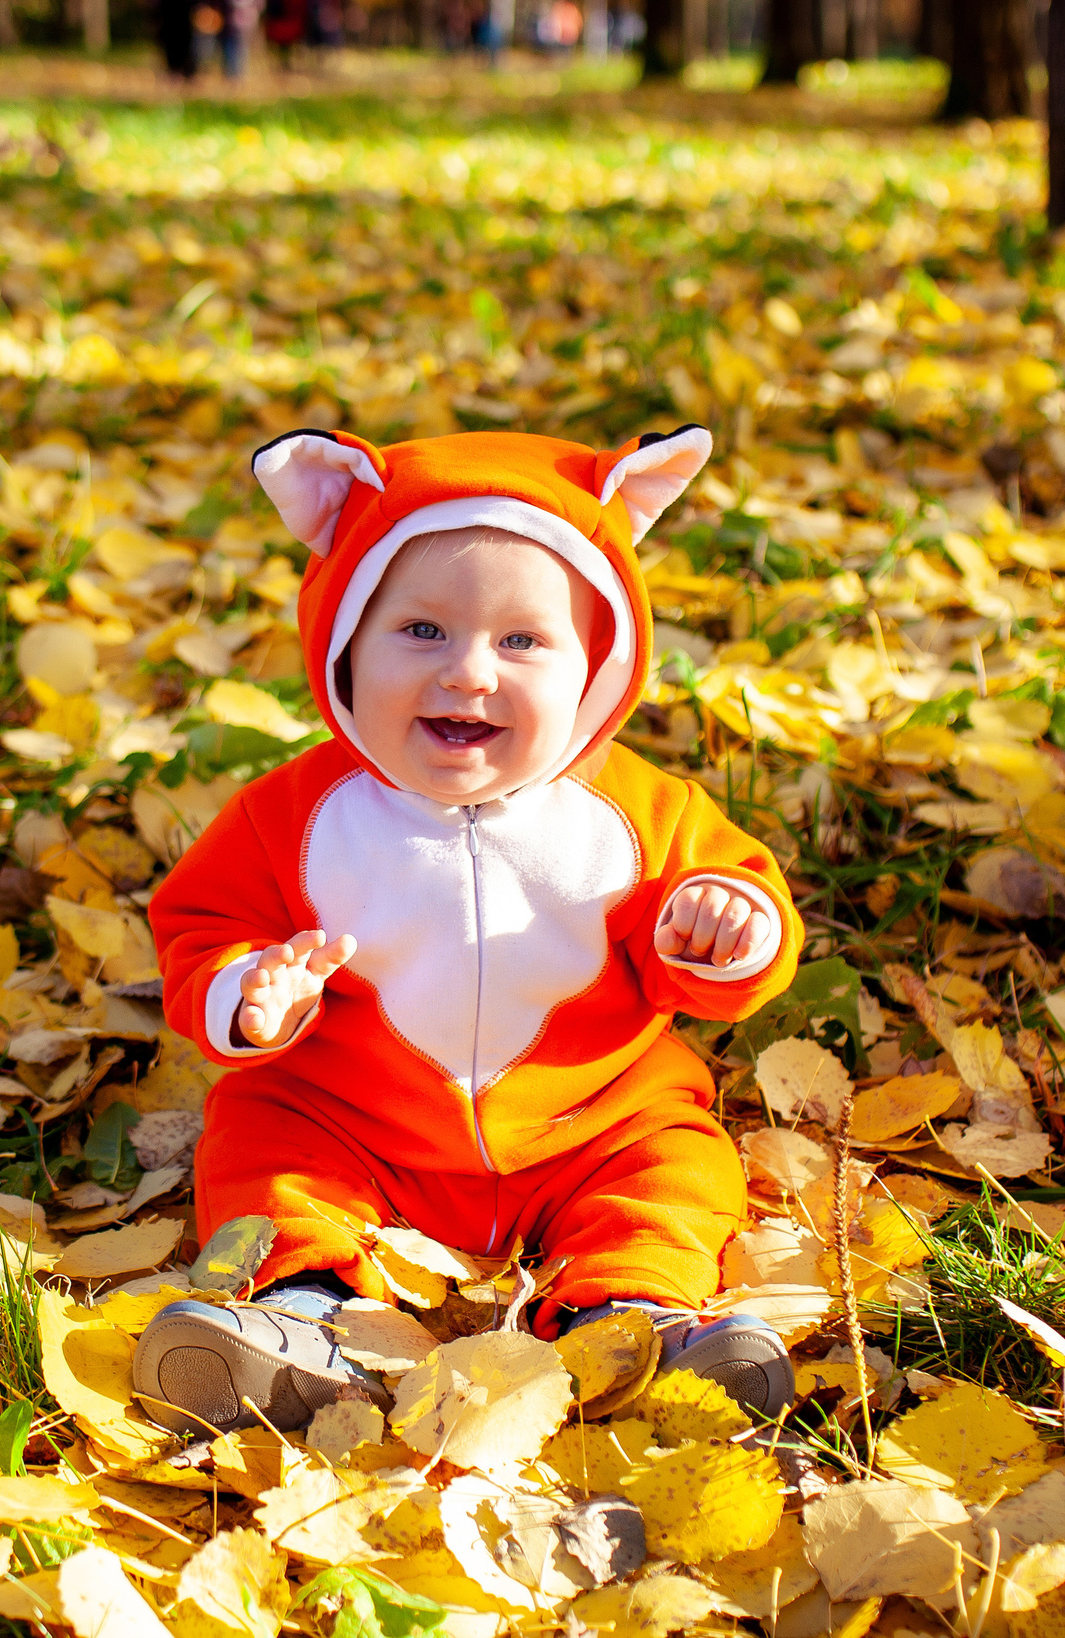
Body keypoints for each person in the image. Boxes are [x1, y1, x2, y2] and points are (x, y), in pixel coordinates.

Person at [135, 426, 804, 1438]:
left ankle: (630, 1314)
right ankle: (302, 1315)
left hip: (590, 1119)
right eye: (420, 632)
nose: (470, 674)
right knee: (261, 1141)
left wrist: (724, 927)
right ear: (345, 645)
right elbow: (202, 922)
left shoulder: (641, 812)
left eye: (522, 641)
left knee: (674, 1164)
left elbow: (737, 908)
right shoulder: (292, 817)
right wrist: (247, 988)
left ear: (596, 669)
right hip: (352, 1118)